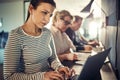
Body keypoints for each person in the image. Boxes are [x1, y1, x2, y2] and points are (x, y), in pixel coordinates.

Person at [4, 0, 74, 80]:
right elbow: (9, 76)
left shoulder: (47, 33)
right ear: (31, 9)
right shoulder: (16, 35)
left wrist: (60, 67)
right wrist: (42, 76)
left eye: (50, 15)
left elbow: (53, 58)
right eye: (44, 13)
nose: (47, 20)